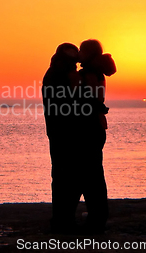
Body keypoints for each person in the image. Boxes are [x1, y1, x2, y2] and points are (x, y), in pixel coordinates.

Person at [42, 43, 83, 233]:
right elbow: (70, 101)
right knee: (67, 176)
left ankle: (62, 218)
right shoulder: (61, 75)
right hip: (65, 130)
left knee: (62, 175)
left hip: (57, 129)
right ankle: (63, 220)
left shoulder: (52, 73)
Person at [77, 39, 116, 233]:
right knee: (93, 174)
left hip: (89, 127)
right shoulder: (97, 73)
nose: (78, 54)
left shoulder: (88, 74)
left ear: (89, 54)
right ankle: (96, 215)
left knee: (91, 176)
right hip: (96, 126)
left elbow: (90, 100)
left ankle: (96, 217)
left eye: (81, 51)